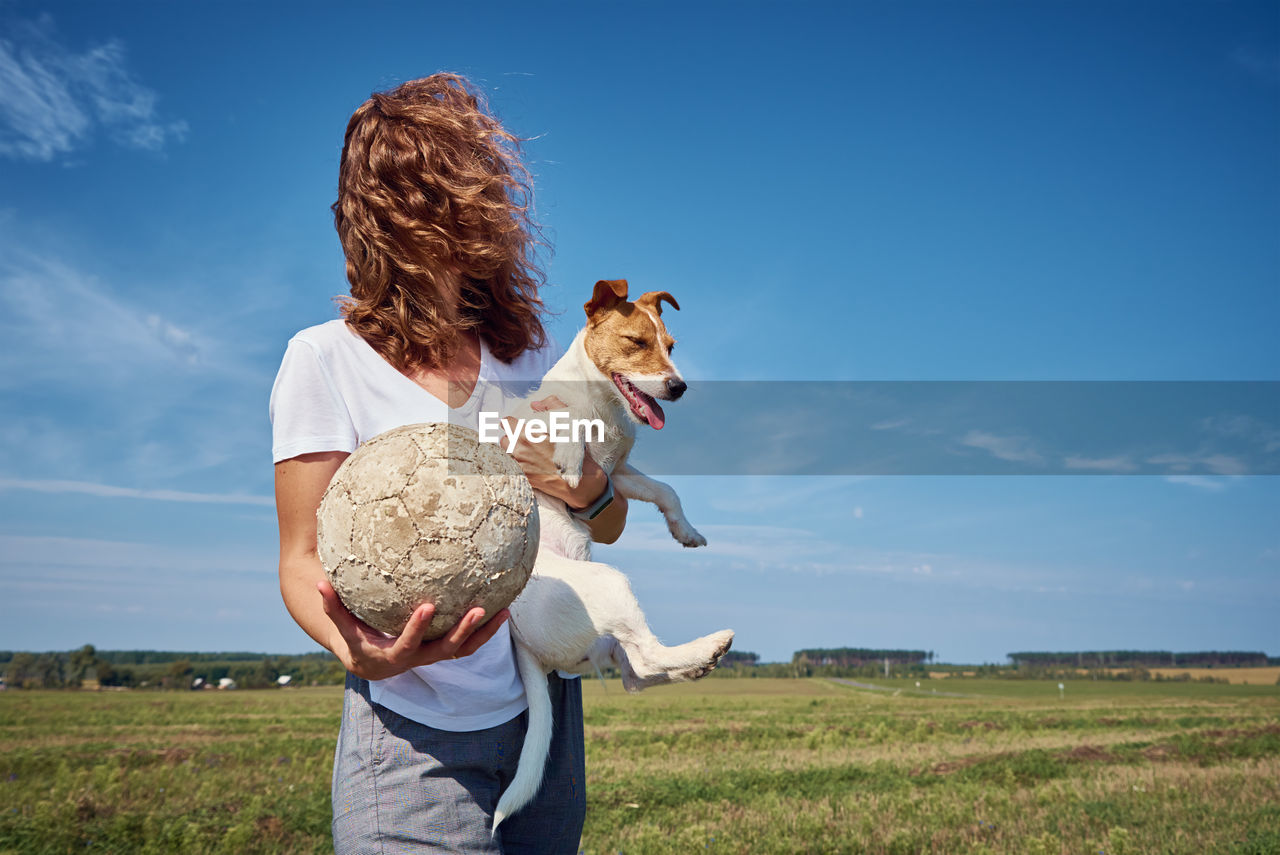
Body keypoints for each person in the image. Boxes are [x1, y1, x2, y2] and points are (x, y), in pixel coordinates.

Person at [271, 73, 627, 854]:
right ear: (379, 218)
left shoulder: (530, 356)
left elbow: (610, 519)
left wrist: (582, 482)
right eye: (430, 200)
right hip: (409, 730)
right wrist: (355, 648)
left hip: (545, 722)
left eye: (473, 197)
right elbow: (298, 559)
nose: (463, 222)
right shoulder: (322, 361)